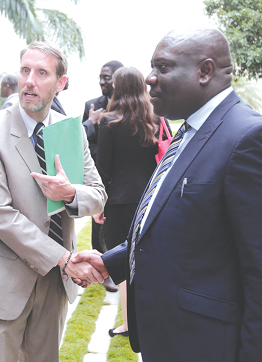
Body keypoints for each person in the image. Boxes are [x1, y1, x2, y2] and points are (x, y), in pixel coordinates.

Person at [73, 28, 262, 362]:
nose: (149, 78)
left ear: (204, 71)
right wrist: (111, 261)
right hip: (171, 339)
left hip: (209, 345)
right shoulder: (190, 129)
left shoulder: (249, 139)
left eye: (163, 67)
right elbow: (173, 221)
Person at [0, 41, 107, 362]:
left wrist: (69, 194)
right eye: (25, 70)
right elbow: (0, 215)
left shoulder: (71, 131)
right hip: (3, 285)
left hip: (53, 286)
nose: (29, 80)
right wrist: (64, 259)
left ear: (60, 83)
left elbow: (98, 196)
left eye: (41, 72)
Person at [95, 66, 165, 338]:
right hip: (151, 200)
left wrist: (98, 206)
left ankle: (127, 323)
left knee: (123, 263)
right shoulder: (156, 120)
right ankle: (152, 319)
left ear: (117, 87)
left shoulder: (108, 121)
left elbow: (104, 169)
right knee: (150, 259)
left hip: (119, 202)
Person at [81, 60, 123, 292]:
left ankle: (115, 264)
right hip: (97, 175)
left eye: (107, 77)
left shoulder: (128, 106)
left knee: (117, 222)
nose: (102, 82)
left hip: (121, 176)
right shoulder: (91, 105)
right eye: (100, 77)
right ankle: (101, 267)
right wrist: (93, 123)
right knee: (98, 221)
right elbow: (81, 142)